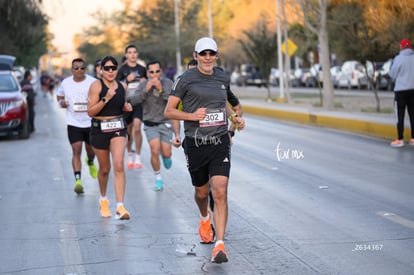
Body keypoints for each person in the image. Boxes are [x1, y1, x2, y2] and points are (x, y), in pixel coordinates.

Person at [164, 37, 245, 264]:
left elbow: (225, 103)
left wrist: (234, 118)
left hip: (219, 141)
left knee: (219, 191)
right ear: (196, 55)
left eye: (212, 53)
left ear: (216, 55)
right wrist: (192, 116)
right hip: (196, 143)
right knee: (202, 193)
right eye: (203, 54)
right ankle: (203, 217)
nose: (208, 58)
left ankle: (219, 245)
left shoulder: (222, 76)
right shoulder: (185, 79)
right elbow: (169, 111)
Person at [87, 55, 133, 220]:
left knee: (119, 165)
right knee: (105, 169)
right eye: (107, 68)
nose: (111, 71)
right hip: (99, 130)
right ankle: (103, 199)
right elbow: (91, 111)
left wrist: (126, 107)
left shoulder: (122, 86)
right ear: (101, 70)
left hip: (118, 128)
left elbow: (122, 105)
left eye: (113, 67)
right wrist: (106, 98)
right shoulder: (96, 86)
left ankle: (120, 206)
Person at [128, 61, 181, 190]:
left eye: (157, 71)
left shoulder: (167, 83)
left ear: (161, 71)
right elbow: (133, 101)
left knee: (166, 153)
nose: (154, 74)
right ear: (147, 73)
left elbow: (173, 102)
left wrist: (160, 89)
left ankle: (166, 156)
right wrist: (145, 91)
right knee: (154, 150)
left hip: (165, 122)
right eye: (151, 72)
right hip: (150, 124)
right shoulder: (143, 85)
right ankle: (158, 178)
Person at [56, 58, 98, 194]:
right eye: (76, 68)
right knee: (76, 150)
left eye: (81, 68)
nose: (79, 70)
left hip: (90, 121)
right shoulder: (66, 83)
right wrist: (62, 103)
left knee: (91, 150)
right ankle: (78, 181)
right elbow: (59, 96)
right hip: (73, 122)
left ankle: (90, 161)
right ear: (71, 69)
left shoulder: (92, 82)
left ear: (85, 69)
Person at [116, 44, 147, 169]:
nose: (132, 54)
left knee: (138, 128)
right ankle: (129, 154)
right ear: (126, 55)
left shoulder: (142, 69)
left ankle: (138, 157)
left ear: (137, 54)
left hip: (138, 103)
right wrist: (127, 80)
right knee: (128, 131)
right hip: (126, 103)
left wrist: (144, 83)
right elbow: (117, 87)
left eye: (134, 52)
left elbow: (146, 84)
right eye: (130, 52)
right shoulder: (122, 70)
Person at [389, 38, 414, 147]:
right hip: (413, 90)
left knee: (400, 115)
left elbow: (393, 74)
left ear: (402, 47)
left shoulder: (398, 59)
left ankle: (400, 139)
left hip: (400, 91)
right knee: (413, 114)